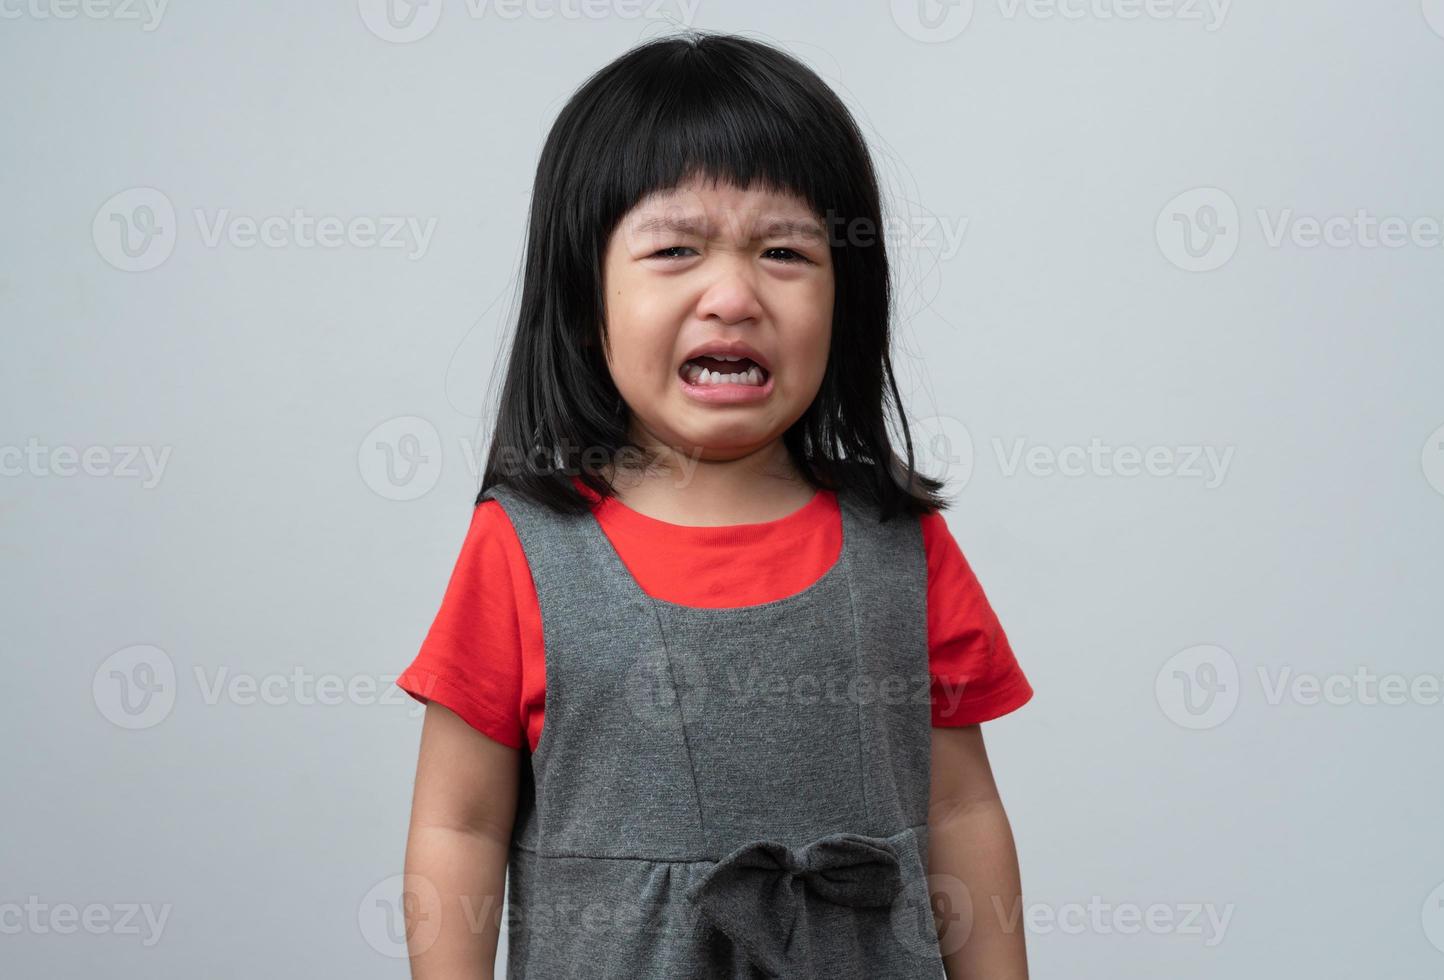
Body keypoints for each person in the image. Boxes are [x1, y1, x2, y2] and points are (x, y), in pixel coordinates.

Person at [396, 29, 1034, 979]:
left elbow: (959, 810)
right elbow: (459, 823)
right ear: (585, 295)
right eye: (676, 249)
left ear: (846, 299)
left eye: (784, 250)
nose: (732, 295)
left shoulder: (903, 547)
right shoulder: (526, 551)